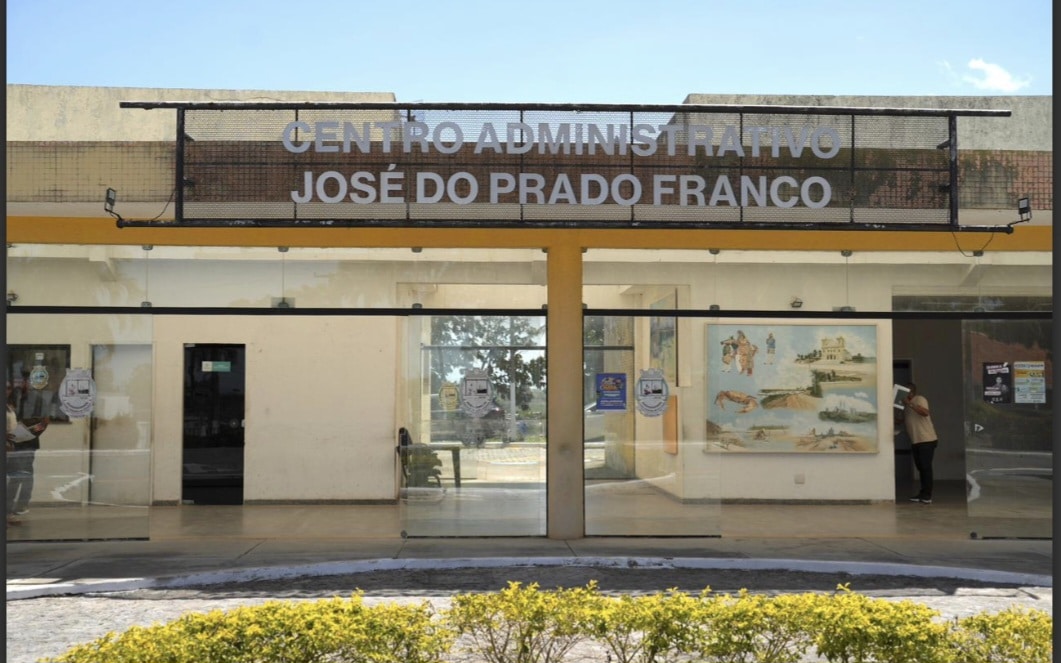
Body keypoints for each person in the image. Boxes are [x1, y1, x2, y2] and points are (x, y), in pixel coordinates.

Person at [7, 378, 50, 520]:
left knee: (24, 474)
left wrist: (30, 433)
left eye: (25, 381)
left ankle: (21, 505)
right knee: (16, 475)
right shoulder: (13, 397)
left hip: (28, 442)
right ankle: (10, 506)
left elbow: (44, 422)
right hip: (12, 442)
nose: (21, 384)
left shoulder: (38, 399)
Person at [903, 383, 938, 504]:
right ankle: (922, 493)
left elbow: (925, 412)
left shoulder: (919, 399)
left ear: (911, 392)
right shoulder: (906, 405)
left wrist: (909, 404)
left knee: (925, 467)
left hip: (926, 440)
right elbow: (904, 420)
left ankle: (927, 495)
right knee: (921, 468)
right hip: (916, 440)